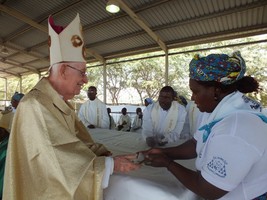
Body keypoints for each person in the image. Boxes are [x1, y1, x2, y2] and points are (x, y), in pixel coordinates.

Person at [3, 14, 139, 200]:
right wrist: (108, 166)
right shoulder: (34, 104)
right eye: (82, 72)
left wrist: (97, 151)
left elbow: (74, 142)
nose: (85, 80)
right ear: (64, 70)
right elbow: (53, 158)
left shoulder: (59, 102)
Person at [140, 52, 267, 199]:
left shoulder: (235, 129)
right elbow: (196, 143)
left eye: (195, 92)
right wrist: (163, 152)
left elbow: (209, 190)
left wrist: (168, 163)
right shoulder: (218, 110)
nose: (192, 98)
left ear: (216, 91)